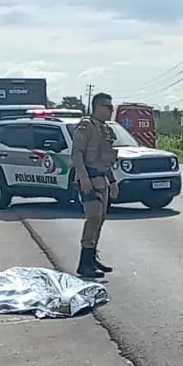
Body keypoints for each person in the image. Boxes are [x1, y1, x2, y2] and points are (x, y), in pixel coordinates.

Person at [71, 92, 120, 279]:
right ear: (97, 107)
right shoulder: (86, 126)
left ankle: (92, 258)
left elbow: (105, 159)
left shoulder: (104, 129)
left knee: (100, 219)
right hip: (90, 179)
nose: (111, 110)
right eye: (108, 107)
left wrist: (113, 181)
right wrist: (83, 178)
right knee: (92, 218)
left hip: (102, 179)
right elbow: (76, 154)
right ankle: (84, 263)